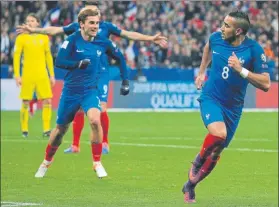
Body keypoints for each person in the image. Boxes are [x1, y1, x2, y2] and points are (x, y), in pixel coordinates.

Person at [17, 1, 168, 154]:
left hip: (101, 72)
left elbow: (128, 34)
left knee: (100, 109)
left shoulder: (106, 27)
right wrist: (34, 30)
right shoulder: (78, 27)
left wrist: (150, 38)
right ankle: (75, 145)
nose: (93, 15)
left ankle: (105, 143)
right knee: (79, 110)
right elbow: (55, 30)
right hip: (82, 73)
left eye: (95, 12)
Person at [182, 11, 271, 203]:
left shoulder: (254, 50)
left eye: (226, 26)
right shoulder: (216, 38)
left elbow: (266, 84)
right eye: (223, 24)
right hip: (211, 97)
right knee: (218, 134)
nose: (221, 28)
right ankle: (197, 162)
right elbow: (207, 48)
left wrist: (242, 70)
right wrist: (201, 72)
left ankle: (191, 185)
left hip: (234, 108)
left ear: (238, 30)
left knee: (217, 150)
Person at [34, 9, 129, 179]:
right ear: (82, 24)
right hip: (70, 92)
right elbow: (60, 61)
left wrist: (125, 80)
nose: (95, 26)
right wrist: (77, 64)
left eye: (97, 23)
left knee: (94, 119)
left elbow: (120, 58)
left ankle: (97, 163)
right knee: (60, 131)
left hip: (89, 91)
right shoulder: (71, 40)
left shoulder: (102, 42)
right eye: (91, 23)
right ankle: (46, 162)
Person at [13, 13, 55, 138]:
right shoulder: (21, 38)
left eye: (32, 20)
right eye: (28, 21)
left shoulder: (44, 37)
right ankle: (24, 129)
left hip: (42, 74)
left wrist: (51, 75)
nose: (30, 22)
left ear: (37, 23)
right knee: (25, 101)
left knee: (47, 100)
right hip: (27, 74)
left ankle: (46, 129)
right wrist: (17, 75)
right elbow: (16, 57)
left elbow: (48, 57)